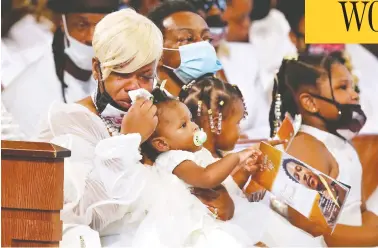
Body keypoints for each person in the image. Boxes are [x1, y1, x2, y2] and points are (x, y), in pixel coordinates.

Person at [37, 9, 164, 247]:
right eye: (122, 73)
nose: (133, 86)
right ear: (97, 69)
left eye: (145, 76)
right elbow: (86, 214)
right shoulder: (68, 121)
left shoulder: (160, 111)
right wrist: (129, 140)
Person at [178, 75, 327, 247]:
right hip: (235, 231)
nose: (240, 130)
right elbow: (217, 206)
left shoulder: (219, 155)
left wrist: (244, 173)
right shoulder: (199, 162)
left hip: (249, 219)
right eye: (237, 123)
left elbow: (229, 191)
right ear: (216, 123)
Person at [269, 54, 378, 246]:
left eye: (353, 87)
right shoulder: (306, 147)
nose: (354, 94)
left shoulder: (341, 143)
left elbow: (360, 210)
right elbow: (311, 231)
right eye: (343, 87)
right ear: (310, 102)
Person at [139, 87, 269, 247]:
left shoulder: (194, 155)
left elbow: (221, 185)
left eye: (191, 120)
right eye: (183, 125)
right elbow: (207, 178)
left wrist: (243, 171)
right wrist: (236, 157)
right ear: (162, 144)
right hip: (199, 229)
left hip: (215, 221)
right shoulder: (172, 158)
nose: (194, 127)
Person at [2, 0, 119, 139]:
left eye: (101, 28)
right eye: (81, 25)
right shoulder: (29, 92)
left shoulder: (111, 82)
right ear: (63, 23)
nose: (91, 37)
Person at [147, 0, 222, 97]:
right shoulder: (145, 108)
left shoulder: (216, 105)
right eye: (188, 39)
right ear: (158, 52)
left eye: (206, 38)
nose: (202, 45)